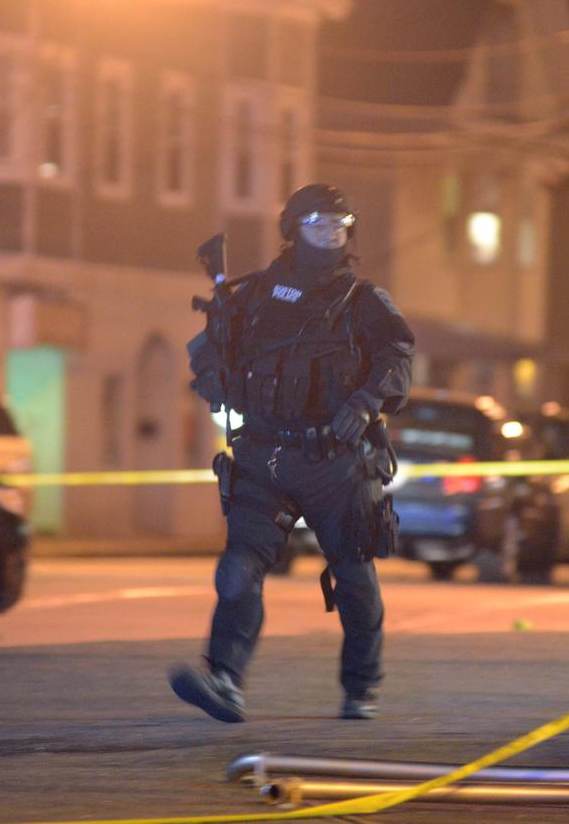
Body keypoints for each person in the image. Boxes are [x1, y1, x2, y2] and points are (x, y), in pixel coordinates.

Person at [170, 183, 414, 722]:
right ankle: (225, 681)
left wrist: (369, 397)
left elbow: (398, 355)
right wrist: (212, 374)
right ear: (292, 229)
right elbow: (210, 347)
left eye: (338, 224)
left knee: (354, 575)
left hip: (337, 462)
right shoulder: (254, 294)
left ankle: (361, 686)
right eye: (317, 223)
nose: (330, 233)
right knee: (237, 571)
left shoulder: (364, 300)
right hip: (264, 456)